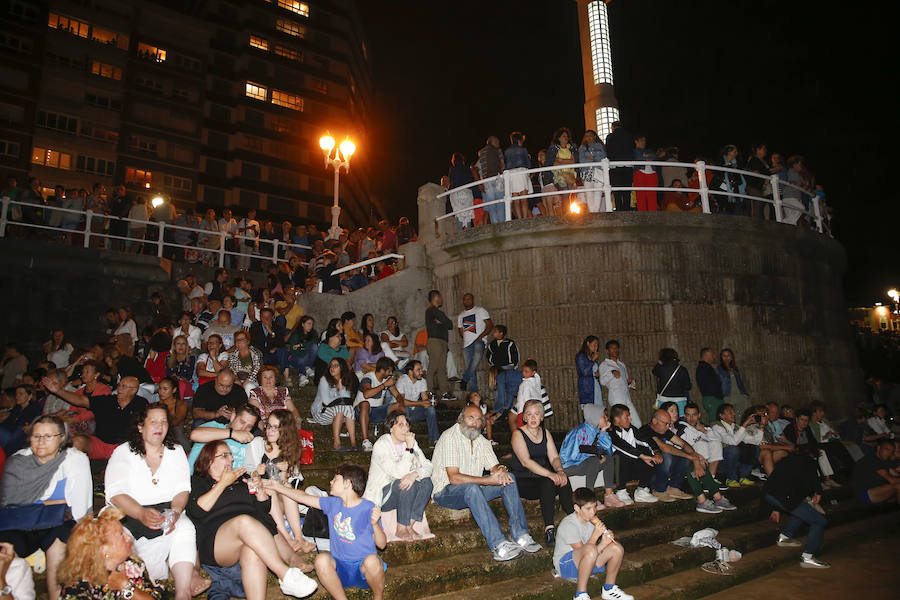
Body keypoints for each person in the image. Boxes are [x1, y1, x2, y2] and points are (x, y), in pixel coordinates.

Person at [187, 441, 318, 599]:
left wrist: (261, 495)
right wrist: (222, 483)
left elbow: (263, 510)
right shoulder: (198, 482)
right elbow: (197, 510)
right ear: (208, 461)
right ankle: (285, 574)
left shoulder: (243, 479)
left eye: (231, 455)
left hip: (247, 537)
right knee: (244, 521)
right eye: (224, 455)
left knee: (253, 551)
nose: (231, 459)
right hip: (217, 543)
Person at [104, 403, 205, 599]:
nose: (159, 426)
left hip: (166, 512)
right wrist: (140, 513)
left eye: (164, 422)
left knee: (184, 527)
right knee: (111, 533)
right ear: (141, 426)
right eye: (153, 422)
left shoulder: (175, 452)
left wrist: (175, 511)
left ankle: (183, 591)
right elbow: (116, 493)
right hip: (127, 513)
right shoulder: (123, 452)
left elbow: (182, 489)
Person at [430, 404, 541, 561]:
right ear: (461, 419)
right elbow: (454, 478)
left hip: (473, 490)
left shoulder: (481, 440)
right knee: (472, 489)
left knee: (509, 479)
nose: (475, 423)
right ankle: (498, 545)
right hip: (445, 492)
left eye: (479, 420)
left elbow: (493, 466)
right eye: (471, 418)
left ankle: (520, 535)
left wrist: (500, 470)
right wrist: (487, 480)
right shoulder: (450, 437)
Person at [0, 415, 91, 600]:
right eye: (36, 436)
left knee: (58, 543)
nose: (41, 441)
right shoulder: (18, 461)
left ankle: (55, 596)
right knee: (5, 550)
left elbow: (79, 510)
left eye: (48, 436)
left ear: (62, 438)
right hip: (18, 524)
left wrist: (36, 503)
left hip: (57, 524)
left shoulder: (75, 460)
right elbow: (7, 503)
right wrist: (56, 503)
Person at [263, 464, 387, 600]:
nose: (331, 482)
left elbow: (381, 545)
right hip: (340, 568)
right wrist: (277, 487)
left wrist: (375, 524)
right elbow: (303, 497)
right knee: (321, 560)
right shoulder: (333, 504)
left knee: (372, 560)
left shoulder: (368, 508)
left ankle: (378, 597)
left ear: (347, 484)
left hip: (364, 569)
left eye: (335, 479)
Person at [57, 507, 169, 599]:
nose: (129, 537)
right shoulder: (77, 588)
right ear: (102, 549)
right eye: (121, 535)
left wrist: (126, 586)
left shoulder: (132, 565)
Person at [244, 410, 315, 556]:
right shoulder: (257, 444)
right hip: (261, 498)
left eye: (275, 427)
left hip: (281, 501)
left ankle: (299, 538)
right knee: (271, 489)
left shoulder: (290, 449)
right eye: (269, 426)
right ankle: (287, 539)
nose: (270, 430)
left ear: (285, 430)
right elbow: (249, 474)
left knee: (286, 487)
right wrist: (257, 472)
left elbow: (291, 481)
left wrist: (285, 473)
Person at [641, 408, 736, 512]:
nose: (668, 426)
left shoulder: (664, 429)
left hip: (668, 469)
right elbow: (664, 447)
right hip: (649, 471)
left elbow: (682, 443)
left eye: (669, 424)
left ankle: (714, 497)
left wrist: (695, 458)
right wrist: (691, 457)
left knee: (690, 460)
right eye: (665, 423)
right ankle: (659, 490)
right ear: (654, 421)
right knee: (669, 457)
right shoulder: (646, 430)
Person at [511, 400, 574, 545]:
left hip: (541, 479)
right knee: (549, 481)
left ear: (541, 417)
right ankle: (549, 529)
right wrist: (550, 474)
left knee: (564, 480)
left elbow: (554, 457)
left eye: (536, 414)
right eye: (529, 414)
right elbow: (526, 461)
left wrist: (559, 471)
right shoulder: (518, 434)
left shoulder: (545, 433)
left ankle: (574, 518)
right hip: (523, 480)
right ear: (525, 417)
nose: (533, 418)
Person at [41, 376, 148, 461]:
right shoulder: (108, 401)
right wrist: (58, 391)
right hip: (100, 444)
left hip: (124, 447)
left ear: (134, 390)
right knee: (77, 442)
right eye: (119, 385)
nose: (119, 389)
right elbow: (81, 400)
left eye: (124, 386)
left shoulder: (141, 404)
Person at [552, 488, 633, 600]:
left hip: (587, 560)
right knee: (590, 550)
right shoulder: (568, 524)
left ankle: (609, 589)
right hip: (565, 565)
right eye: (588, 508)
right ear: (577, 508)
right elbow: (583, 550)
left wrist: (605, 542)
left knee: (617, 548)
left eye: (594, 507)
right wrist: (595, 536)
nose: (593, 512)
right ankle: (580, 594)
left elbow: (592, 552)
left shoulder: (590, 522)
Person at [364, 412, 433, 541]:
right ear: (391, 428)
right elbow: (398, 473)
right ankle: (401, 528)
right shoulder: (382, 444)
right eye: (401, 424)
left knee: (427, 482)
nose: (406, 428)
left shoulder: (412, 442)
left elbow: (428, 466)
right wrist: (408, 449)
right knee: (407, 483)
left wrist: (414, 474)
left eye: (407, 425)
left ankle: (409, 525)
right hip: (382, 495)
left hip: (403, 490)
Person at [763, 447, 830, 568]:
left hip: (769, 494)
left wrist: (775, 508)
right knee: (819, 521)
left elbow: (776, 480)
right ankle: (808, 557)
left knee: (802, 508)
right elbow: (814, 479)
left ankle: (784, 537)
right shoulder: (809, 462)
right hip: (784, 497)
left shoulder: (787, 459)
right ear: (813, 456)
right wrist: (818, 492)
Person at [559, 410, 623, 508]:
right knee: (593, 460)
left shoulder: (595, 430)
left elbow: (607, 450)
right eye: (604, 416)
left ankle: (609, 496)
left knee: (609, 458)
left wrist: (603, 431)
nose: (606, 418)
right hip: (568, 466)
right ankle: (590, 498)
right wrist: (595, 457)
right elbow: (570, 455)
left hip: (584, 464)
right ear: (595, 418)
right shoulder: (580, 431)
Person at [609, 404, 661, 504]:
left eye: (629, 416)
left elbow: (646, 439)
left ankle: (641, 491)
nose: (630, 419)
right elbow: (622, 446)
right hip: (615, 472)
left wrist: (656, 452)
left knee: (649, 454)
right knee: (620, 455)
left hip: (631, 468)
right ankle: (621, 491)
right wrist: (642, 456)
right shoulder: (610, 431)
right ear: (616, 419)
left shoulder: (631, 429)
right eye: (626, 417)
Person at [188, 404, 261, 472]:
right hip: (197, 479)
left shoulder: (249, 442)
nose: (244, 428)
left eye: (249, 426)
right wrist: (232, 433)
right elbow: (194, 435)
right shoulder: (214, 427)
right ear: (233, 416)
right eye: (242, 422)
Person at [355, 358, 403, 452]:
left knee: (398, 406)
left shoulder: (387, 380)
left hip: (378, 411)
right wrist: (384, 385)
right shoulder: (368, 378)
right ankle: (365, 440)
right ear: (382, 370)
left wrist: (400, 403)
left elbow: (398, 395)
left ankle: (399, 438)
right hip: (360, 412)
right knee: (365, 404)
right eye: (389, 371)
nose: (390, 373)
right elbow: (366, 394)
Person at [393, 360, 440, 446]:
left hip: (414, 412)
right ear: (410, 372)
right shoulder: (402, 380)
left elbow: (425, 400)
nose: (421, 372)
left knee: (430, 409)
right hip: (401, 413)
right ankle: (404, 440)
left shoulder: (422, 381)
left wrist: (430, 403)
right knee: (404, 408)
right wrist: (421, 403)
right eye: (418, 370)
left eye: (421, 369)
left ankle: (435, 439)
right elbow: (401, 401)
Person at [712, 403, 759, 487]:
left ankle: (743, 476)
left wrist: (761, 426)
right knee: (733, 449)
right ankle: (731, 479)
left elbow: (754, 441)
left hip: (735, 460)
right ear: (722, 415)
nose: (734, 414)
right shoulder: (716, 426)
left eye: (733, 412)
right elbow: (732, 442)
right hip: (720, 462)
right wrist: (744, 425)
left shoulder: (736, 427)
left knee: (754, 447)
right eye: (730, 412)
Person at [598, 340, 641, 427]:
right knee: (620, 424)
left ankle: (634, 439)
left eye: (616, 348)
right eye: (612, 348)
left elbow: (624, 382)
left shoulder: (622, 365)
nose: (615, 350)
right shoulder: (604, 365)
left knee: (637, 423)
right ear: (607, 351)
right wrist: (612, 373)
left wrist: (629, 382)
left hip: (626, 397)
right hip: (616, 397)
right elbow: (602, 381)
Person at [457, 293, 492, 394]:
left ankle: (464, 379)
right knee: (471, 368)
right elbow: (460, 331)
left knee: (475, 360)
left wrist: (481, 337)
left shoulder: (480, 310)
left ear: (473, 300)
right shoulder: (461, 315)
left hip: (478, 341)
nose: (467, 301)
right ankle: (473, 394)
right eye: (465, 299)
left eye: (469, 299)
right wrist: (466, 339)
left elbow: (490, 325)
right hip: (467, 344)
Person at [677, 402, 723, 478]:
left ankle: (712, 477)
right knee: (701, 444)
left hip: (706, 455)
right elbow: (683, 445)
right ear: (685, 416)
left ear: (699, 415)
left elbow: (718, 439)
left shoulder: (703, 426)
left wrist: (703, 430)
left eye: (694, 415)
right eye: (688, 415)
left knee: (716, 444)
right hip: (690, 455)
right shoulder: (681, 428)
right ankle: (702, 478)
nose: (691, 418)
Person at [486, 324, 522, 417]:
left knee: (503, 390)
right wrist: (493, 364)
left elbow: (515, 355)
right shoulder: (492, 344)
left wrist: (513, 366)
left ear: (501, 333)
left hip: (508, 367)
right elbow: (488, 355)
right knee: (504, 389)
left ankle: (499, 409)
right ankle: (505, 409)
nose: (493, 333)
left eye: (495, 332)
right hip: (497, 368)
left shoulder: (510, 343)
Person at [425, 290, 454, 401]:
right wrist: (444, 321)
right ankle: (430, 392)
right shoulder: (431, 310)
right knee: (433, 366)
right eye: (441, 296)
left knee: (442, 368)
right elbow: (446, 321)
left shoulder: (437, 311)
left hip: (443, 341)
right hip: (435, 341)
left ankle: (445, 392)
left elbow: (450, 324)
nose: (442, 299)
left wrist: (443, 322)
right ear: (436, 297)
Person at [852, 439, 900, 504]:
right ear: (878, 448)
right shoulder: (872, 460)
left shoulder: (882, 460)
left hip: (876, 490)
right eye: (887, 449)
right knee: (898, 486)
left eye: (891, 452)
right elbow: (891, 480)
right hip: (864, 493)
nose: (889, 453)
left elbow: (894, 473)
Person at [249, 308, 289, 380]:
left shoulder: (277, 327)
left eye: (268, 317)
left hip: (274, 356)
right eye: (263, 317)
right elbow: (254, 344)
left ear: (273, 317)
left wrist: (271, 333)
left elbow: (281, 343)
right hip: (261, 355)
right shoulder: (255, 327)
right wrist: (268, 350)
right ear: (260, 317)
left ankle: (286, 377)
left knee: (283, 350)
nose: (266, 319)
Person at [605, 122, 635, 211]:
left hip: (615, 166)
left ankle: (619, 210)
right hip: (628, 166)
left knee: (617, 192)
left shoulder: (610, 137)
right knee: (627, 191)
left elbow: (608, 150)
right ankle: (627, 209)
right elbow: (633, 148)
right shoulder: (629, 136)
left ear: (613, 127)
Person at [477, 135, 507, 224]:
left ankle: (495, 223)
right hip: (497, 178)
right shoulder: (498, 150)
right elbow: (502, 164)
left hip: (487, 180)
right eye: (497, 143)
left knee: (491, 203)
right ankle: (502, 223)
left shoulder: (481, 152)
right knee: (500, 202)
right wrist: (502, 175)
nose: (498, 144)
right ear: (493, 142)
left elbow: (481, 167)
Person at [652, 348, 691, 415]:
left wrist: (660, 361)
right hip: (679, 400)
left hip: (663, 400)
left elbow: (654, 371)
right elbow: (688, 386)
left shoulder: (660, 369)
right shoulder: (682, 369)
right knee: (680, 421)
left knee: (664, 421)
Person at [504, 131, 533, 220]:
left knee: (515, 199)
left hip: (511, 174)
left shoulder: (507, 151)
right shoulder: (523, 149)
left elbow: (506, 164)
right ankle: (524, 218)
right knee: (524, 198)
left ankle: (520, 219)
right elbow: (528, 164)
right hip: (521, 172)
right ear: (519, 139)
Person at [578, 130, 608, 213]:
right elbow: (581, 160)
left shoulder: (599, 146)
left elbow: (603, 157)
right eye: (586, 136)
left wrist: (591, 158)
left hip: (598, 171)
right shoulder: (582, 147)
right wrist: (595, 158)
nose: (588, 137)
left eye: (590, 135)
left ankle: (596, 212)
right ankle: (592, 213)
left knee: (598, 192)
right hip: (586, 172)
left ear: (594, 136)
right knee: (589, 194)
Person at [717, 348, 749, 417]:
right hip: (728, 396)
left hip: (739, 395)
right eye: (724, 356)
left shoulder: (735, 369)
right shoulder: (719, 370)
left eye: (728, 356)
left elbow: (740, 383)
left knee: (742, 415)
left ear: (731, 357)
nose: (726, 358)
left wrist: (745, 394)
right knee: (731, 416)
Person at [695, 347, 724, 422]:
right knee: (715, 421)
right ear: (706, 355)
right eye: (712, 355)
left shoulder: (705, 367)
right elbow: (711, 385)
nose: (714, 357)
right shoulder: (704, 368)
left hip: (712, 398)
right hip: (712, 398)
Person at [288, 316, 318, 384]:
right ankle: (302, 374)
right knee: (302, 359)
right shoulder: (296, 334)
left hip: (307, 357)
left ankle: (307, 368)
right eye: (308, 324)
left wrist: (301, 345)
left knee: (314, 347)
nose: (310, 326)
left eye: (312, 324)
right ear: (302, 324)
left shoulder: (313, 333)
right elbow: (293, 351)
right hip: (295, 357)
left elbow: (314, 342)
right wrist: (305, 347)